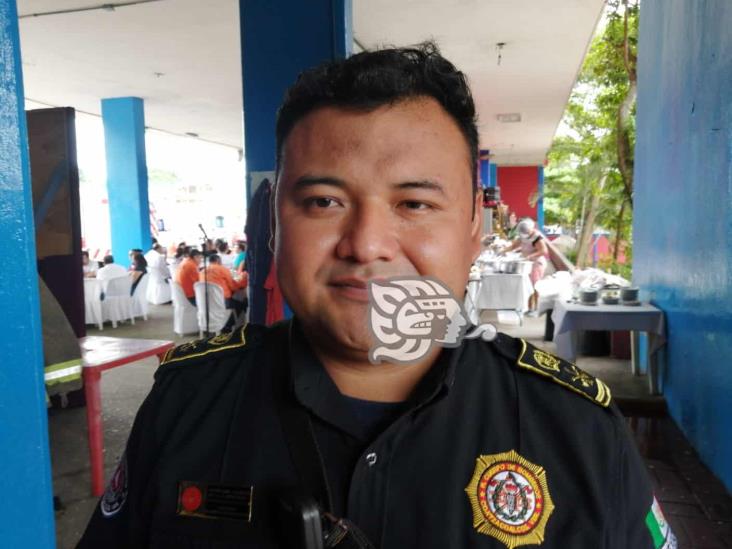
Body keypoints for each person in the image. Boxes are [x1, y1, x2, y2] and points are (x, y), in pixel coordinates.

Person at [78, 44, 673, 549]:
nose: (365, 245)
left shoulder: (576, 428)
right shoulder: (188, 399)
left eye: (414, 204)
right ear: (274, 227)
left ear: (474, 234)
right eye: (323, 202)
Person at [504, 218, 550, 313]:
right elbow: (514, 246)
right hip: (528, 263)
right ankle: (528, 307)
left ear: (530, 230)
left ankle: (535, 308)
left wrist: (530, 256)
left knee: (535, 286)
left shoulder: (537, 237)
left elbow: (543, 251)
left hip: (537, 264)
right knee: (527, 285)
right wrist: (503, 251)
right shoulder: (523, 235)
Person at [199, 253, 248, 320]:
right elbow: (233, 286)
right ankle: (230, 325)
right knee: (243, 304)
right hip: (223, 300)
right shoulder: (222, 269)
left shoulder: (202, 272)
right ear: (218, 261)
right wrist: (242, 282)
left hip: (207, 301)